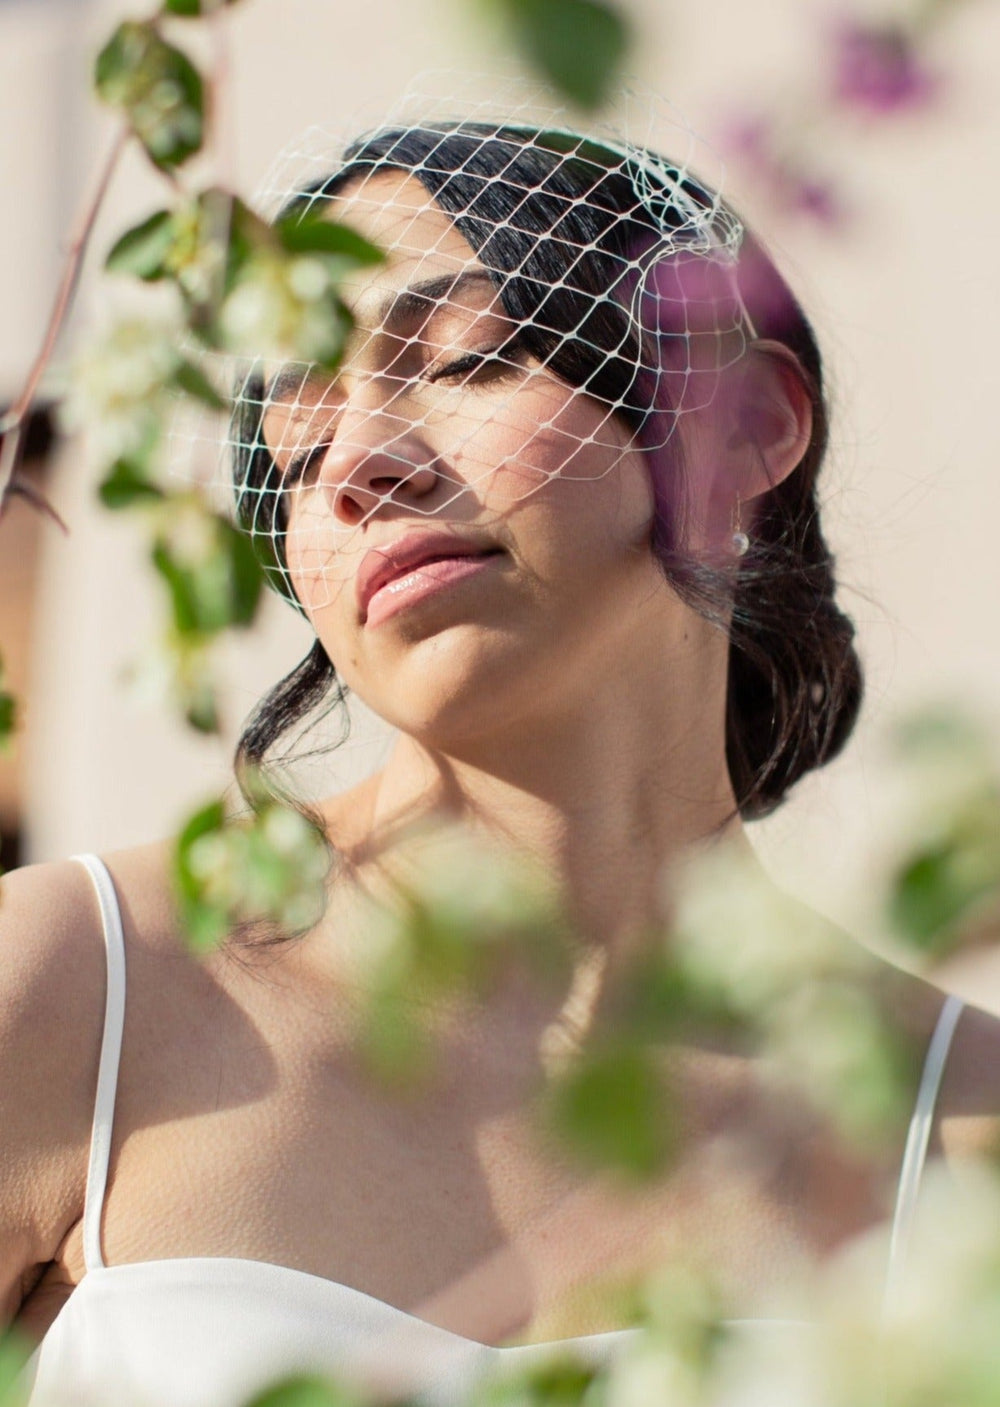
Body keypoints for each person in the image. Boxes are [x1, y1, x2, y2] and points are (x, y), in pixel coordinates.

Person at [3, 113, 998, 1407]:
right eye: (297, 447)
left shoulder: (959, 1124)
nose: (358, 466)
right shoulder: (79, 986)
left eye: (467, 361)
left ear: (741, 428)